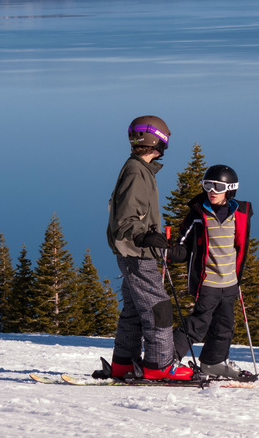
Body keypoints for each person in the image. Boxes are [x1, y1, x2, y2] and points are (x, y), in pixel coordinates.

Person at [104, 115, 193, 381]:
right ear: (157, 140)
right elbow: (126, 219)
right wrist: (144, 238)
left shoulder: (137, 168)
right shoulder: (136, 172)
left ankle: (124, 363)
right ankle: (159, 365)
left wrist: (149, 238)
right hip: (137, 253)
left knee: (133, 310)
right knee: (158, 308)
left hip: (133, 252)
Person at [167, 164, 254, 380]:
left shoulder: (240, 214)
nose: (212, 191)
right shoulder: (197, 215)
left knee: (224, 327)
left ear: (230, 189)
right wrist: (167, 249)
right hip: (208, 284)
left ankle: (213, 363)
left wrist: (238, 278)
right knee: (198, 324)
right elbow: (183, 248)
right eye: (208, 185)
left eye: (218, 187)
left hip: (230, 283)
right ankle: (167, 360)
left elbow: (239, 246)